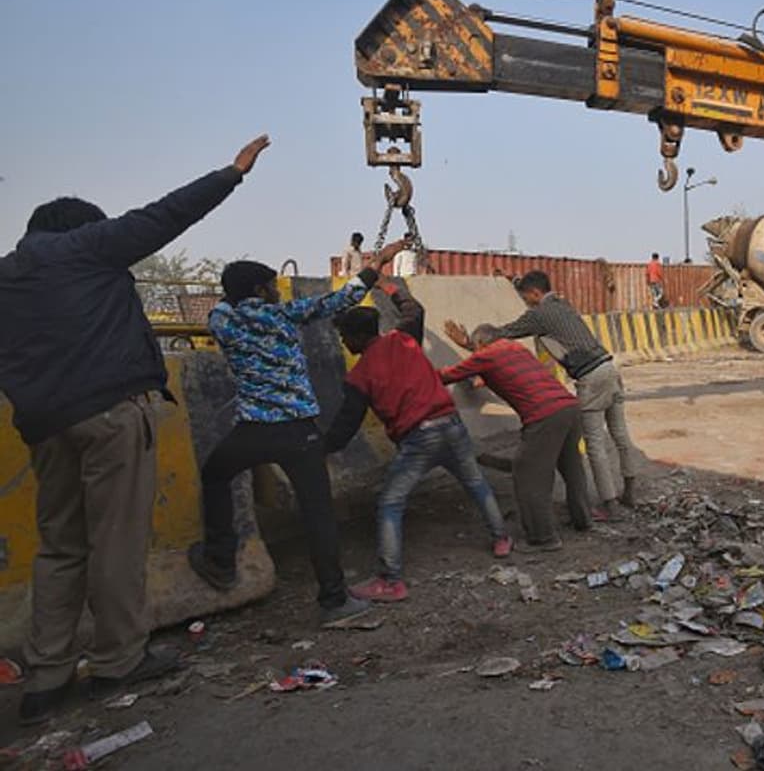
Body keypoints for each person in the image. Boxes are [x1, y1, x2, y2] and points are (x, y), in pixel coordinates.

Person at [0, 134, 271, 726]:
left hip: (44, 428)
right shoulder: (85, 248)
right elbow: (163, 216)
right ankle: (118, 660)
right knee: (116, 542)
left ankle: (45, 678)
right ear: (78, 228)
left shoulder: (7, 275)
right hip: (110, 414)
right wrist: (232, 173)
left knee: (59, 547)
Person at [186, 239, 405, 626]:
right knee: (317, 511)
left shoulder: (222, 320)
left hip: (252, 429)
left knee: (215, 475)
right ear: (259, 291)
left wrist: (232, 295)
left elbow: (222, 305)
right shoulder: (285, 315)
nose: (275, 290)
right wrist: (379, 263)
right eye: (270, 285)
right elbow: (344, 298)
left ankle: (220, 559)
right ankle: (334, 600)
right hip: (298, 431)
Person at [325, 286, 512, 603]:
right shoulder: (404, 338)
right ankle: (502, 538)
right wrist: (392, 287)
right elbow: (416, 311)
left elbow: (345, 425)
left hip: (418, 439)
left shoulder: (359, 376)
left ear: (356, 338)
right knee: (476, 483)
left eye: (345, 336)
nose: (344, 342)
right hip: (452, 426)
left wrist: (320, 447)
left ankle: (390, 580)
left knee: (390, 504)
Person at [446, 270, 641, 517]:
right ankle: (630, 493)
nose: (525, 303)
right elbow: (530, 291)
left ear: (535, 294)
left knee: (594, 444)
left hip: (590, 377)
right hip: (609, 367)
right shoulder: (561, 303)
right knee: (621, 436)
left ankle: (610, 504)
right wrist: (514, 280)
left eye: (526, 298)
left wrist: (467, 344)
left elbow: (501, 334)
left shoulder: (539, 315)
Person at [440, 324, 592, 550]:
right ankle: (583, 519)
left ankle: (543, 538)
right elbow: (490, 373)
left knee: (527, 474)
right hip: (569, 407)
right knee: (572, 468)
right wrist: (470, 347)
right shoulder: (515, 348)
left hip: (544, 416)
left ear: (480, 344)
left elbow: (447, 376)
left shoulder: (485, 356)